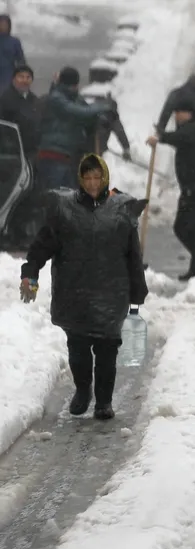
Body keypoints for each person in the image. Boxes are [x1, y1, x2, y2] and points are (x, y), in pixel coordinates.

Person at [19, 153, 148, 420]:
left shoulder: (121, 210)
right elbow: (43, 245)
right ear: (80, 178)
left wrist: (138, 291)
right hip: (73, 292)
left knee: (106, 350)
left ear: (105, 178)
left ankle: (103, 401)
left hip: (111, 293)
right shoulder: (64, 209)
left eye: (97, 177)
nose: (92, 183)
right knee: (77, 349)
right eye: (87, 177)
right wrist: (30, 273)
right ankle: (82, 390)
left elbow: (133, 255)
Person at [146, 97, 195, 281]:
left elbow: (181, 137)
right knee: (193, 229)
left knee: (184, 227)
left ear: (189, 113)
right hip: (191, 187)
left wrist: (160, 137)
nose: (176, 116)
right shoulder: (191, 129)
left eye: (179, 112)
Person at [36, 66, 111, 191]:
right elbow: (80, 112)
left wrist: (102, 117)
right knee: (55, 196)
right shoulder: (56, 98)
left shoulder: (75, 98)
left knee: (70, 197)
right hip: (53, 155)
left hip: (69, 157)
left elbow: (89, 114)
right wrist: (102, 107)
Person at [0, 63, 40, 158]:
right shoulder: (5, 99)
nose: (24, 80)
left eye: (28, 77)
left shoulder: (34, 99)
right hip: (12, 153)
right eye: (21, 77)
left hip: (32, 151)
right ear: (13, 79)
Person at [85, 91, 132, 160]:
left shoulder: (112, 117)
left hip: (93, 149)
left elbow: (120, 132)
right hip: (86, 147)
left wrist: (126, 149)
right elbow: (120, 132)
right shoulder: (94, 113)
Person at [0, 14, 25, 89]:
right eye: (1, 24)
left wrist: (22, 75)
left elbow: (21, 59)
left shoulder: (14, 41)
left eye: (5, 24)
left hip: (9, 74)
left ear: (9, 25)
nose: (3, 26)